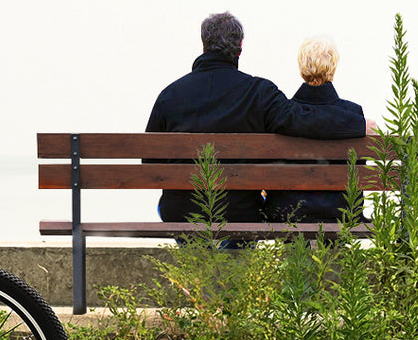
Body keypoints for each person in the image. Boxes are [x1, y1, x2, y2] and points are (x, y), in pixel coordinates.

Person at [146, 13, 367, 224]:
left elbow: (150, 164)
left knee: (173, 210)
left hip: (180, 212)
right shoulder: (258, 92)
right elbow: (303, 119)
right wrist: (359, 124)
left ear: (203, 43)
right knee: (247, 213)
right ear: (240, 48)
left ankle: (194, 258)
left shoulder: (169, 96)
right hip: (239, 212)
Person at [263, 35, 364, 224]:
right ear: (333, 67)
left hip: (288, 211)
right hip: (340, 212)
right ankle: (335, 254)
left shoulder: (285, 115)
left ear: (302, 68)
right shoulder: (353, 114)